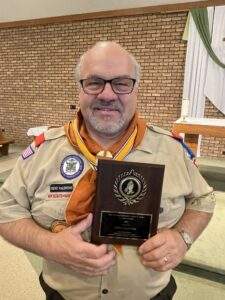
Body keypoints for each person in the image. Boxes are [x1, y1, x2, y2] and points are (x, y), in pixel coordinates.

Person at [0, 41, 215, 300]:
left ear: (136, 89)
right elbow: (6, 208)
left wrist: (183, 238)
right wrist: (49, 245)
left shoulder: (172, 150)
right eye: (94, 82)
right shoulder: (43, 152)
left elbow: (203, 198)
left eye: (121, 83)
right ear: (79, 88)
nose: (107, 94)